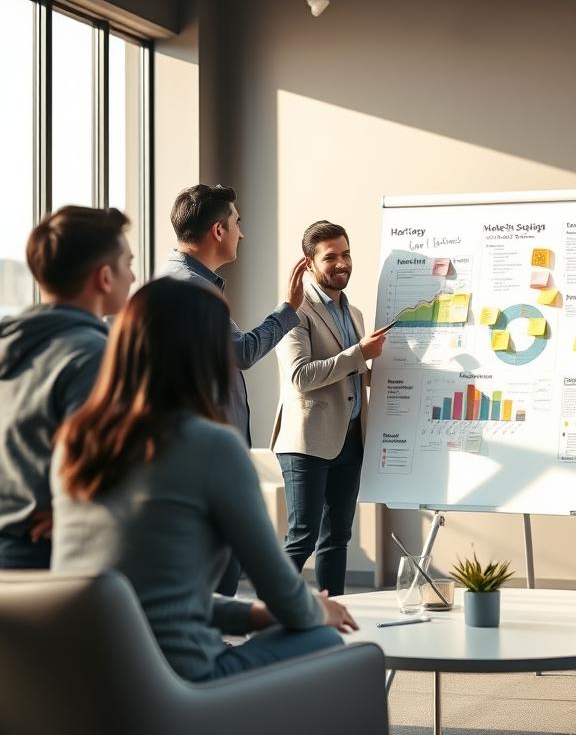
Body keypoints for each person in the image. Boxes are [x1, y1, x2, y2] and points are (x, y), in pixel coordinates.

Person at [51, 278, 358, 682]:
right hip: (179, 680)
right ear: (207, 353)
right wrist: (319, 610)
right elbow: (284, 593)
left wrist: (250, 614)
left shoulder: (76, 441)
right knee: (324, 642)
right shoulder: (210, 444)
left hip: (81, 678)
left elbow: (140, 598)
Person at [161, 184, 309, 595]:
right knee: (218, 577)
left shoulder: (183, 282)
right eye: (237, 222)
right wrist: (288, 310)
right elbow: (241, 352)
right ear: (218, 231)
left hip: (200, 456)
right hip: (204, 462)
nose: (242, 232)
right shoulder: (192, 288)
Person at [0, 206, 134, 569]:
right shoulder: (92, 354)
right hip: (50, 557)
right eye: (128, 263)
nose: (133, 276)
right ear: (105, 277)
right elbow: (104, 465)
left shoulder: (10, 343)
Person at [271, 221, 389, 596]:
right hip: (306, 442)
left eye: (346, 254)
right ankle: (270, 616)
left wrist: (394, 373)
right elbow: (300, 376)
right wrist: (360, 354)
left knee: (338, 536)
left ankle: (335, 615)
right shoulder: (293, 312)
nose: (342, 263)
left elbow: (353, 374)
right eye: (330, 257)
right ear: (309, 264)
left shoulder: (353, 313)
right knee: (302, 538)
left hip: (351, 438)